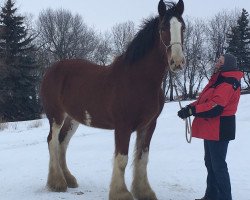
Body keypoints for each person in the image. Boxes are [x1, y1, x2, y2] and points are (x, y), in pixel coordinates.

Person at [177, 53, 243, 200]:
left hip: (220, 128)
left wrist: (193, 111)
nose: (217, 63)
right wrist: (189, 108)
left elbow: (215, 107)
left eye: (220, 61)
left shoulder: (227, 82)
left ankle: (225, 197)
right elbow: (204, 101)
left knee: (218, 165)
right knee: (210, 163)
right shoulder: (217, 80)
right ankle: (212, 195)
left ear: (227, 65)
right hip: (212, 128)